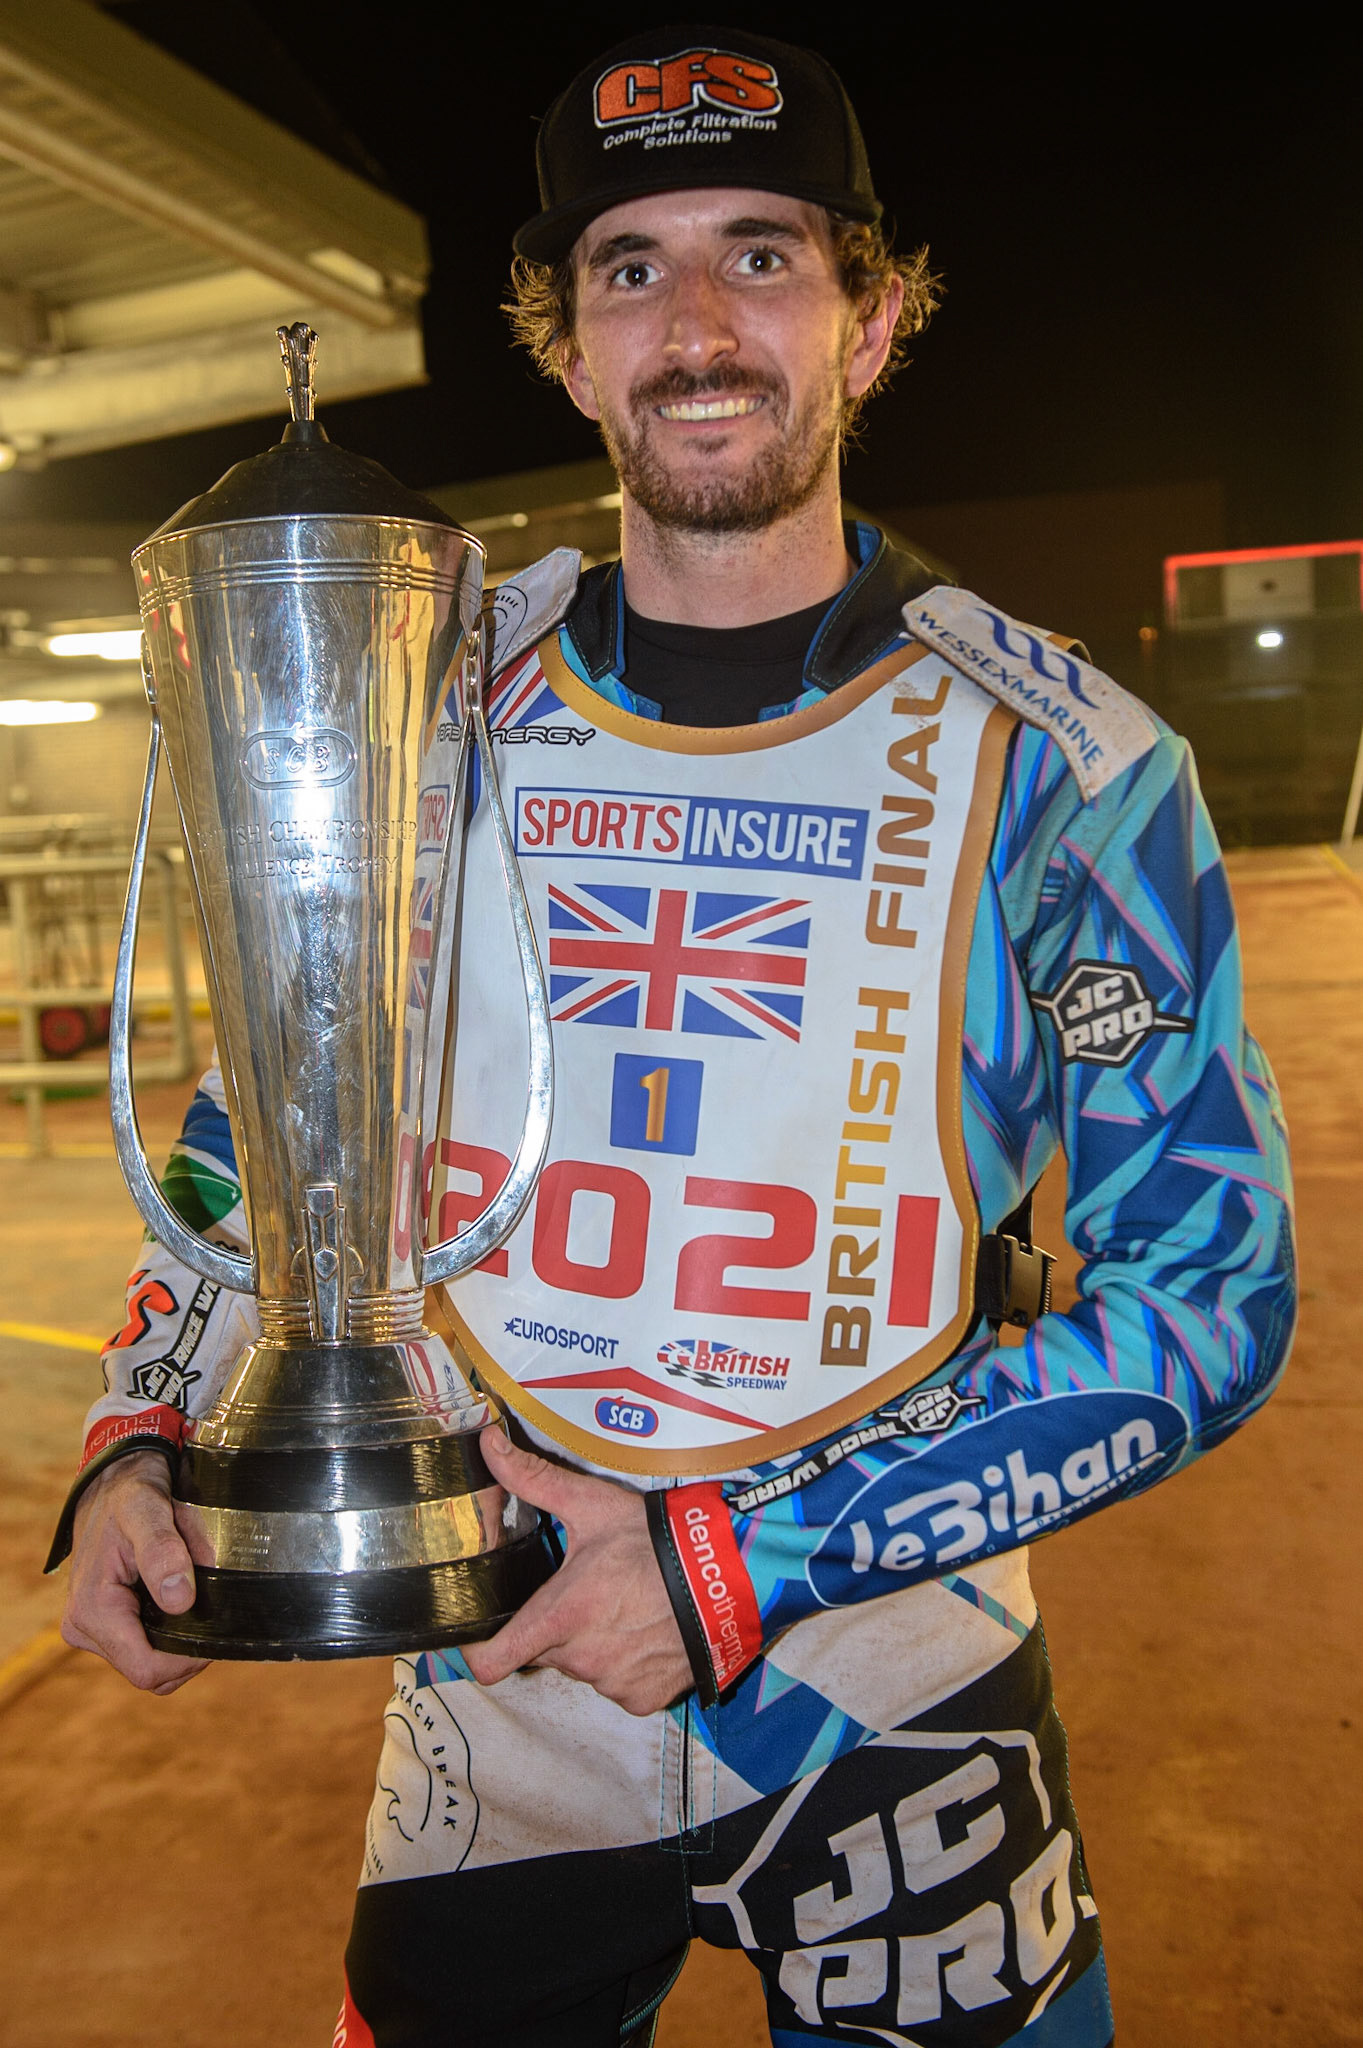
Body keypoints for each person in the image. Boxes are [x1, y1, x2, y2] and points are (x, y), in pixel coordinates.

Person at [52, 28, 1295, 2048]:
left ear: (872, 319)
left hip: (897, 1672)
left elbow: (1210, 1298)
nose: (697, 322)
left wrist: (731, 1560)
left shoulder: (1067, 766)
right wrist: (140, 1430)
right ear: (563, 349)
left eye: (761, 254)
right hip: (499, 1666)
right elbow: (272, 1110)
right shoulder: (426, 700)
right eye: (628, 268)